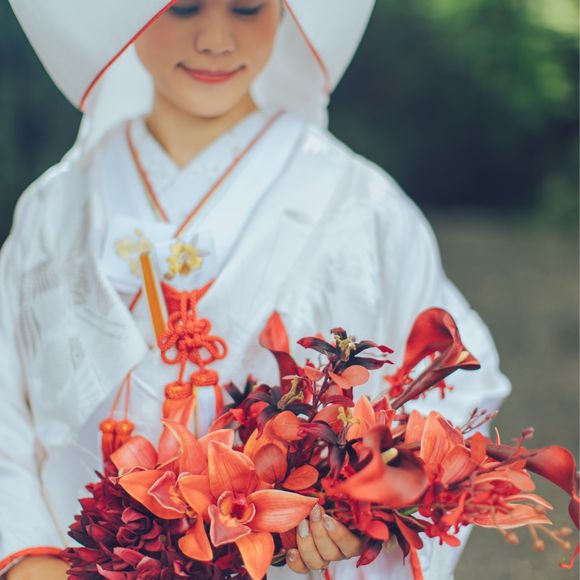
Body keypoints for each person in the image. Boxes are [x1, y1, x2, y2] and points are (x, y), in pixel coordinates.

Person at [1, 1, 511, 578]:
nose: (215, 39)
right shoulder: (57, 206)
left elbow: (457, 383)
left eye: (247, 7)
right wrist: (25, 554)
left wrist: (368, 505)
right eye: (183, 7)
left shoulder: (357, 202)